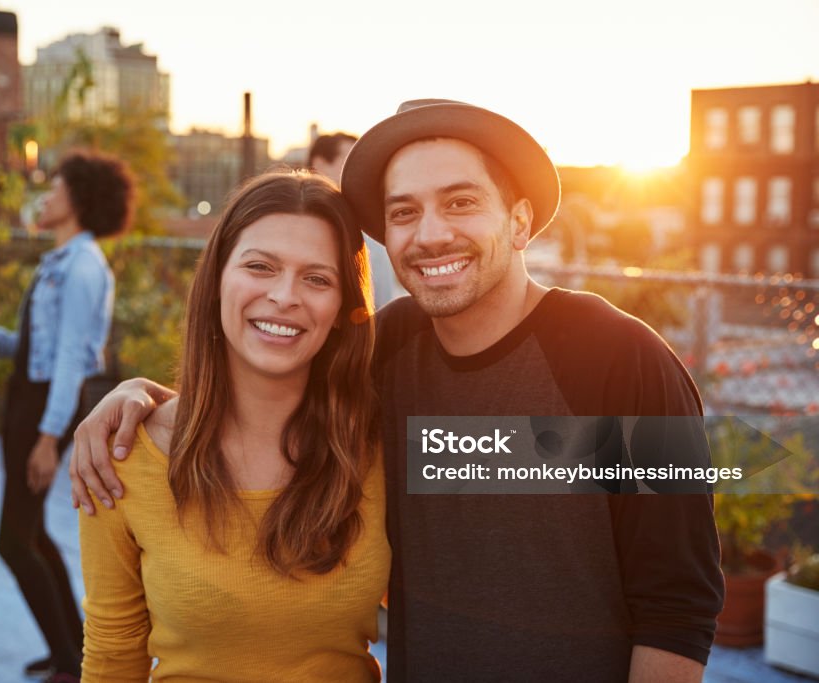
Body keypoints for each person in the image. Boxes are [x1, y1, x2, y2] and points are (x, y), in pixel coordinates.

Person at [69, 101, 724, 682]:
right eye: (404, 212)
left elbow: (677, 604)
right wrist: (137, 396)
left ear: (520, 222)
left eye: (461, 201)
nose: (431, 233)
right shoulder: (388, 354)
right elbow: (270, 371)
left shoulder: (620, 358)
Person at [78, 171, 390, 682]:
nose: (285, 296)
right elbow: (113, 658)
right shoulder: (123, 453)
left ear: (341, 309)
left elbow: (539, 464)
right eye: (260, 267)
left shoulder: (384, 446)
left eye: (317, 278)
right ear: (218, 279)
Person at [0, 151, 133, 683]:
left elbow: (71, 362)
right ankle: (70, 651)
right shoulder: (59, 260)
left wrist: (48, 439)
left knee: (12, 540)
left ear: (77, 200)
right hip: (27, 402)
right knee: (32, 532)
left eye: (54, 189)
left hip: (42, 411)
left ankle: (70, 661)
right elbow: (41, 348)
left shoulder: (81, 266)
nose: (45, 197)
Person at [308, 132, 406, 308]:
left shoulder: (368, 237)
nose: (360, 173)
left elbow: (381, 306)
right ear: (320, 165)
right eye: (348, 162)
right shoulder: (278, 225)